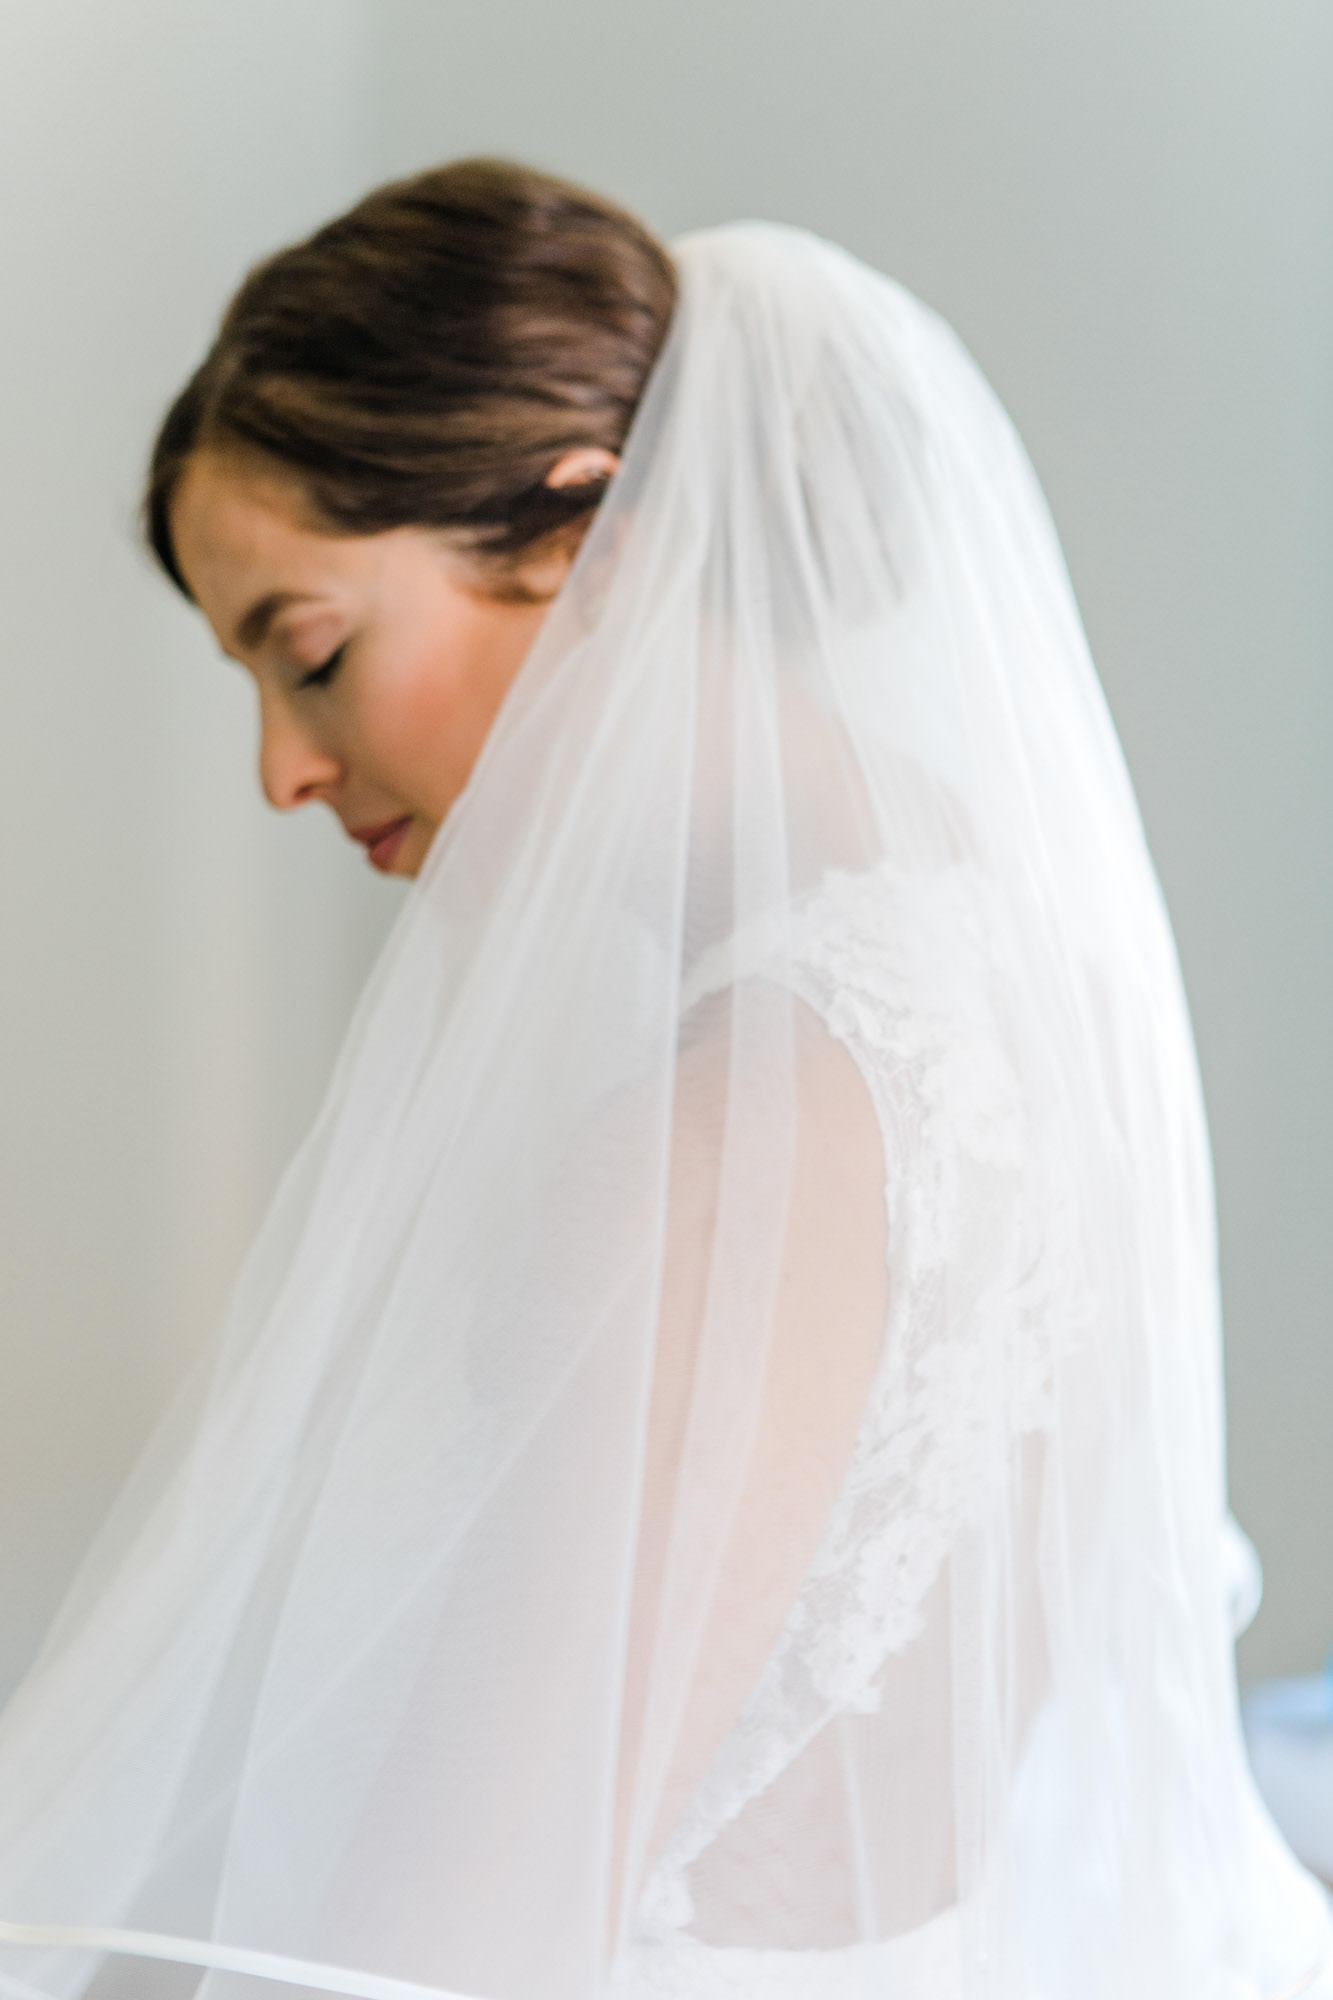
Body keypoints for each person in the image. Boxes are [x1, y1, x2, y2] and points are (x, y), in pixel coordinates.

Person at [0, 157, 1327, 2000]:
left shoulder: (743, 1129)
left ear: (591, 539)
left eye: (312, 654)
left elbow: (456, 1934)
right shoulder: (1002, 951)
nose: (281, 772)